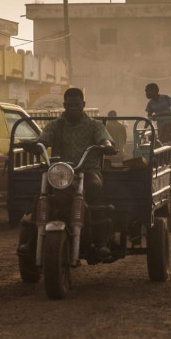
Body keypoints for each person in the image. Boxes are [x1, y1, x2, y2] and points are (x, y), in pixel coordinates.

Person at [30, 88, 117, 257]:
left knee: (93, 189)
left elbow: (104, 137)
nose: (72, 108)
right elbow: (44, 138)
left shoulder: (94, 125)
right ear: (64, 105)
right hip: (60, 173)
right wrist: (36, 144)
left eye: (76, 105)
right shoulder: (56, 125)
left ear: (83, 105)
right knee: (40, 196)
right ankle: (31, 241)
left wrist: (106, 144)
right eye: (69, 105)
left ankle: (99, 242)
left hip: (88, 171)